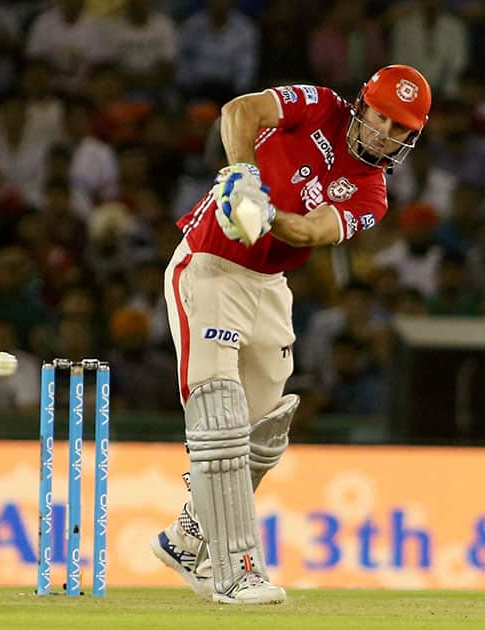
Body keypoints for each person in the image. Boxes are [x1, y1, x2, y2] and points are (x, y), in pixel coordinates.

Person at [151, 65, 431, 604]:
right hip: (210, 264)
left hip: (269, 285)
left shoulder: (372, 194)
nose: (387, 134)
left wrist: (264, 214)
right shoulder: (319, 105)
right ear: (361, 104)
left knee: (264, 430)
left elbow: (309, 230)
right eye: (383, 118)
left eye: (402, 130)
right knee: (220, 417)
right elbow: (239, 111)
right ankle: (237, 571)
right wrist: (243, 177)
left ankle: (186, 539)